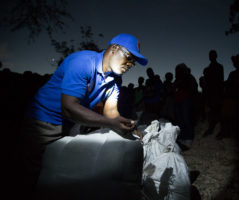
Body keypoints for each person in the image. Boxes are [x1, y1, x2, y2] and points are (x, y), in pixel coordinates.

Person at [16, 33, 148, 198]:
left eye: (133, 62)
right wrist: (110, 123)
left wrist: (127, 128)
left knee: (58, 172)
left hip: (70, 124)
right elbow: (69, 108)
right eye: (129, 57)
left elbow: (111, 113)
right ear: (114, 49)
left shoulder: (115, 81)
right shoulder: (84, 62)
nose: (129, 64)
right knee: (32, 174)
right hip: (43, 121)